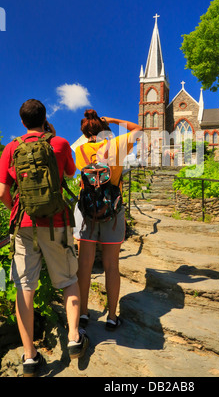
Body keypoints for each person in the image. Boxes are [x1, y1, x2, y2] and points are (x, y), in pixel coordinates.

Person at [0, 99, 88, 377]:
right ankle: (74, 337)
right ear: (45, 118)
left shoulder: (11, 149)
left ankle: (29, 356)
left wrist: (15, 209)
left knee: (25, 286)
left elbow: (2, 191)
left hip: (24, 225)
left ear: (22, 121)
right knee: (68, 280)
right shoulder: (59, 143)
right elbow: (71, 173)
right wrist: (52, 135)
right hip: (57, 223)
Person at [73, 109, 142, 331]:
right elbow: (140, 130)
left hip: (87, 213)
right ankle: (112, 317)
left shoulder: (81, 150)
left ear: (85, 132)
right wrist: (114, 119)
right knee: (112, 266)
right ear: (104, 129)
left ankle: (83, 314)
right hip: (112, 212)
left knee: (84, 265)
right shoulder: (117, 145)